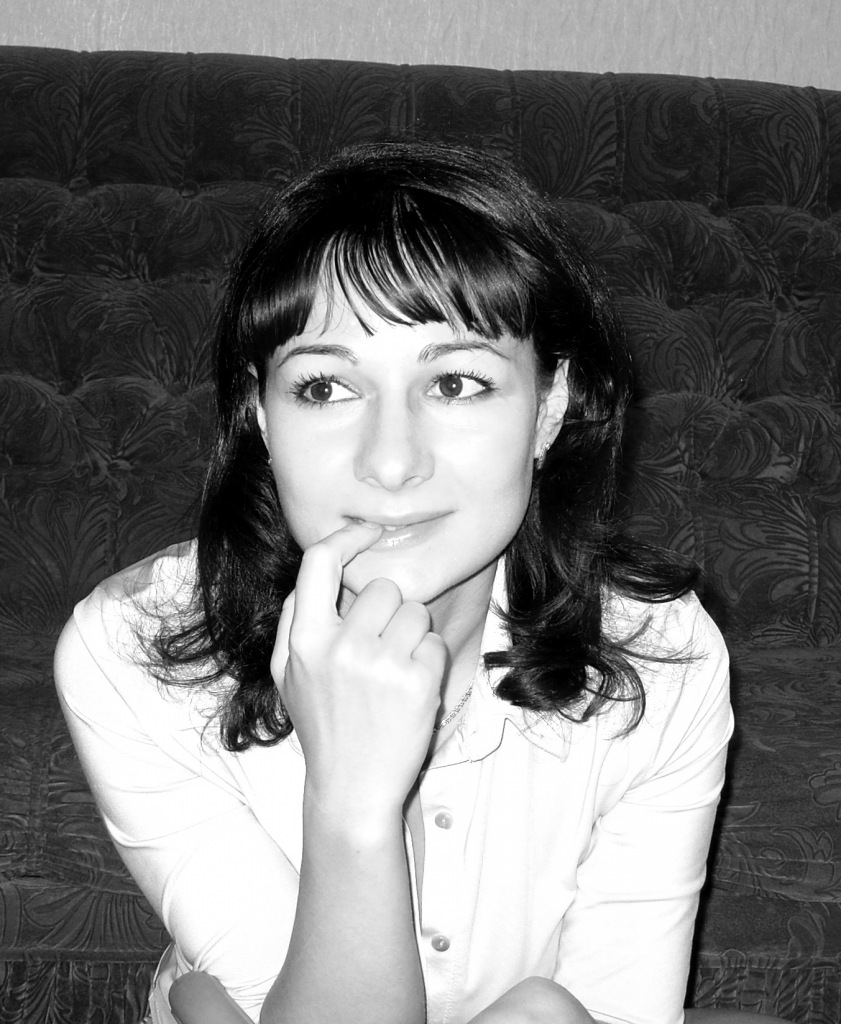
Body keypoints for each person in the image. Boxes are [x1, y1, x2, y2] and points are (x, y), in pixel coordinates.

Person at [55, 140, 736, 1024]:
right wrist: (351, 804)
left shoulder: (660, 656)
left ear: (550, 408)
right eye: (324, 389)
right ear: (260, 415)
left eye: (455, 383)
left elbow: (616, 1010)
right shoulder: (132, 652)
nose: (389, 462)